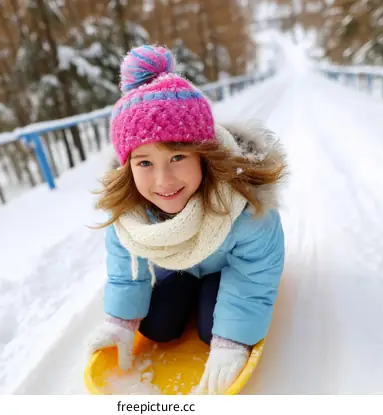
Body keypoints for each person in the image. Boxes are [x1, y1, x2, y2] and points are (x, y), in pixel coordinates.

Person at [86, 44, 287, 395]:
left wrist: (232, 341)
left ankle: (211, 304)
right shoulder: (130, 211)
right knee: (157, 326)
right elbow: (127, 267)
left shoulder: (243, 204)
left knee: (213, 330)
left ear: (203, 156)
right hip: (179, 266)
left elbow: (254, 273)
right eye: (144, 163)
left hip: (228, 267)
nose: (163, 181)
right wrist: (120, 322)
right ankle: (186, 290)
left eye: (177, 156)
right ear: (128, 166)